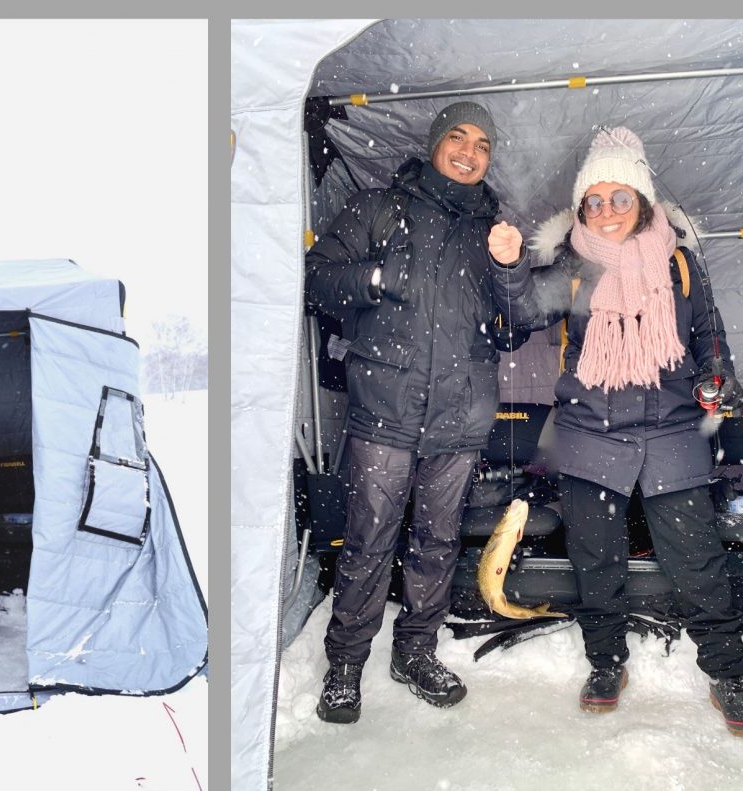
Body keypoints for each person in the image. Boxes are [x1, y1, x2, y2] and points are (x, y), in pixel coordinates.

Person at [487, 126, 743, 734]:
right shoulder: (571, 267)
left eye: (619, 198)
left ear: (643, 202)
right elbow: (521, 312)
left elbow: (708, 335)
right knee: (594, 561)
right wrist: (508, 267)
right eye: (593, 201)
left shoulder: (680, 263)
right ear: (581, 209)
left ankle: (728, 668)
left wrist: (717, 381)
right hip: (587, 434)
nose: (605, 212)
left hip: (672, 430)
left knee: (697, 561)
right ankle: (606, 661)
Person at [305, 102, 528, 723]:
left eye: (482, 143)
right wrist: (375, 276)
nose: (469, 150)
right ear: (435, 143)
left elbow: (515, 329)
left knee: (437, 542)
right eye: (457, 136)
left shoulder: (494, 231)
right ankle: (346, 665)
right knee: (369, 541)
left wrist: (510, 269)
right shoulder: (380, 207)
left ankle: (416, 652)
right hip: (385, 410)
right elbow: (314, 277)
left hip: (459, 418)